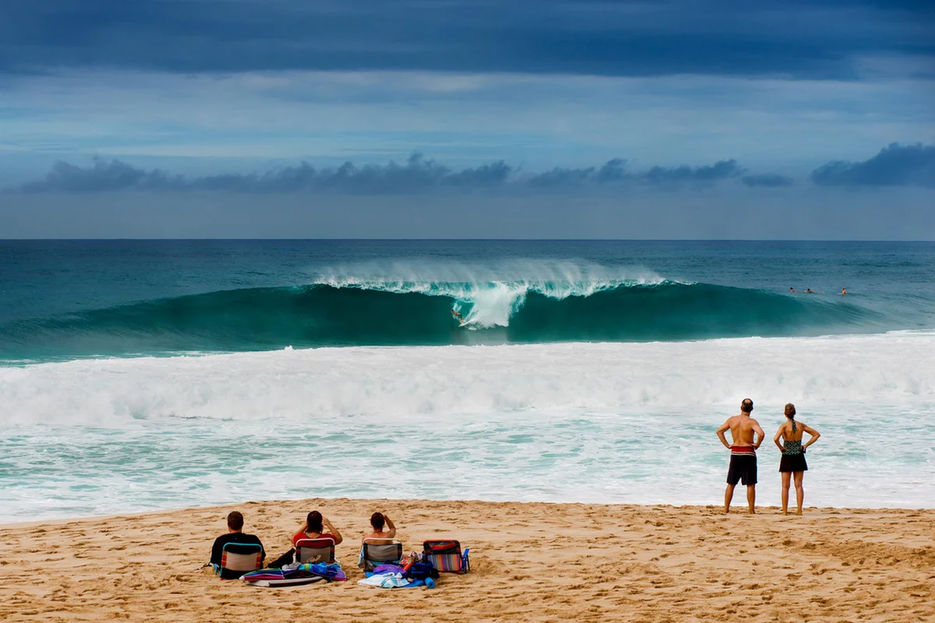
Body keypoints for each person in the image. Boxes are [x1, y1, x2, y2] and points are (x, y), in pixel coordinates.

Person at [716, 398, 764, 514]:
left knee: (731, 483)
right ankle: (751, 511)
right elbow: (761, 433)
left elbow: (719, 431)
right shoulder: (752, 422)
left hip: (735, 452)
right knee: (750, 484)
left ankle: (726, 509)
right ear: (751, 409)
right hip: (748, 453)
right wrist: (757, 444)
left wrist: (727, 445)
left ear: (741, 407)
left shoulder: (732, 420)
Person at [773, 403, 820, 515]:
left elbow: (775, 439)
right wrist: (805, 445)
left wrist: (781, 448)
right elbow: (816, 434)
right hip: (799, 456)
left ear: (785, 414)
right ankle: (799, 510)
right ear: (794, 413)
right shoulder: (801, 425)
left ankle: (785, 511)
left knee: (785, 486)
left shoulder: (784, 426)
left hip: (787, 456)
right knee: (798, 485)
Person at [210, 511, 265, 577]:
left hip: (227, 574)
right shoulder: (254, 539)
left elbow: (214, 560)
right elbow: (262, 557)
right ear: (242, 524)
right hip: (250, 573)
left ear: (228, 525)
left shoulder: (220, 540)